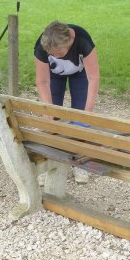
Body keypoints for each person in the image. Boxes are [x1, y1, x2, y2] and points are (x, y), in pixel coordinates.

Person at [34, 21, 100, 183]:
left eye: (58, 52)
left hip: (80, 74)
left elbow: (94, 77)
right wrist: (47, 110)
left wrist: (88, 111)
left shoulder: (82, 39)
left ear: (69, 41)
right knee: (50, 118)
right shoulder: (42, 46)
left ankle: (79, 163)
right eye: (52, 54)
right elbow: (42, 81)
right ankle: (47, 162)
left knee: (81, 118)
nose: (55, 56)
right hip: (54, 75)